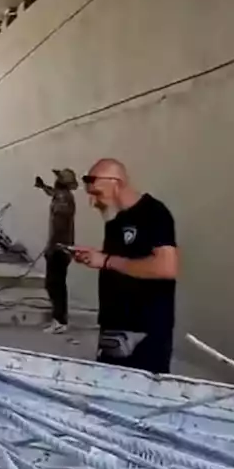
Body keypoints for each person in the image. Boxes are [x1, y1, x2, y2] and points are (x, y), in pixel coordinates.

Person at [71, 159, 179, 374]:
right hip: (113, 328)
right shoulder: (116, 222)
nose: (93, 203)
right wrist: (96, 258)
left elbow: (167, 267)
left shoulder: (154, 213)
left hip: (144, 331)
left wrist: (106, 261)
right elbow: (119, 263)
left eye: (97, 194)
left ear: (116, 183)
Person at [34, 168, 78, 334]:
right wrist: (42, 186)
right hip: (61, 248)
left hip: (59, 248)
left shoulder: (63, 199)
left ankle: (60, 321)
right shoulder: (62, 195)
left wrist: (50, 247)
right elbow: (51, 192)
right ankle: (59, 319)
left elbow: (59, 228)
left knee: (55, 285)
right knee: (55, 284)